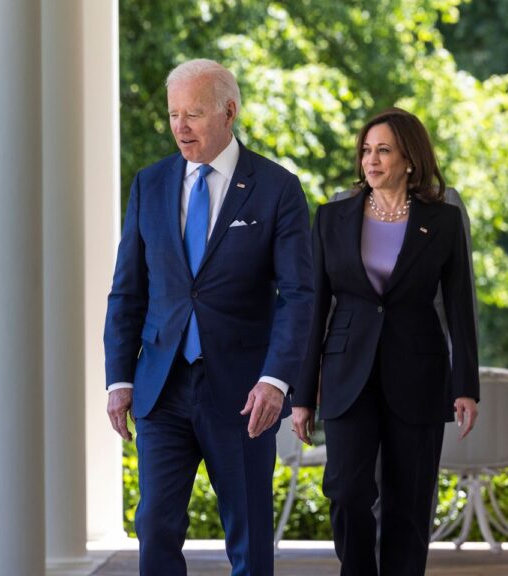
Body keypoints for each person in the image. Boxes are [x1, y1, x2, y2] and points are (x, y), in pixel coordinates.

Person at [104, 59, 314, 575]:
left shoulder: (276, 188)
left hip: (244, 394)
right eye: (175, 114)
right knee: (154, 526)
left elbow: (299, 295)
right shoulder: (149, 185)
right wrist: (119, 378)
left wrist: (275, 380)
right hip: (162, 386)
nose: (180, 126)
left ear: (229, 111)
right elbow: (127, 291)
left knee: (248, 534)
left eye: (193, 113)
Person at [291, 107, 479, 576]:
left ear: (410, 159)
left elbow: (459, 307)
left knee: (409, 503)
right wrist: (302, 392)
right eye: (365, 151)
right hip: (346, 373)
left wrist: (465, 386)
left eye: (383, 150)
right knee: (347, 492)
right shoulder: (332, 217)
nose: (370, 160)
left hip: (418, 372)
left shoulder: (444, 221)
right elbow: (316, 309)